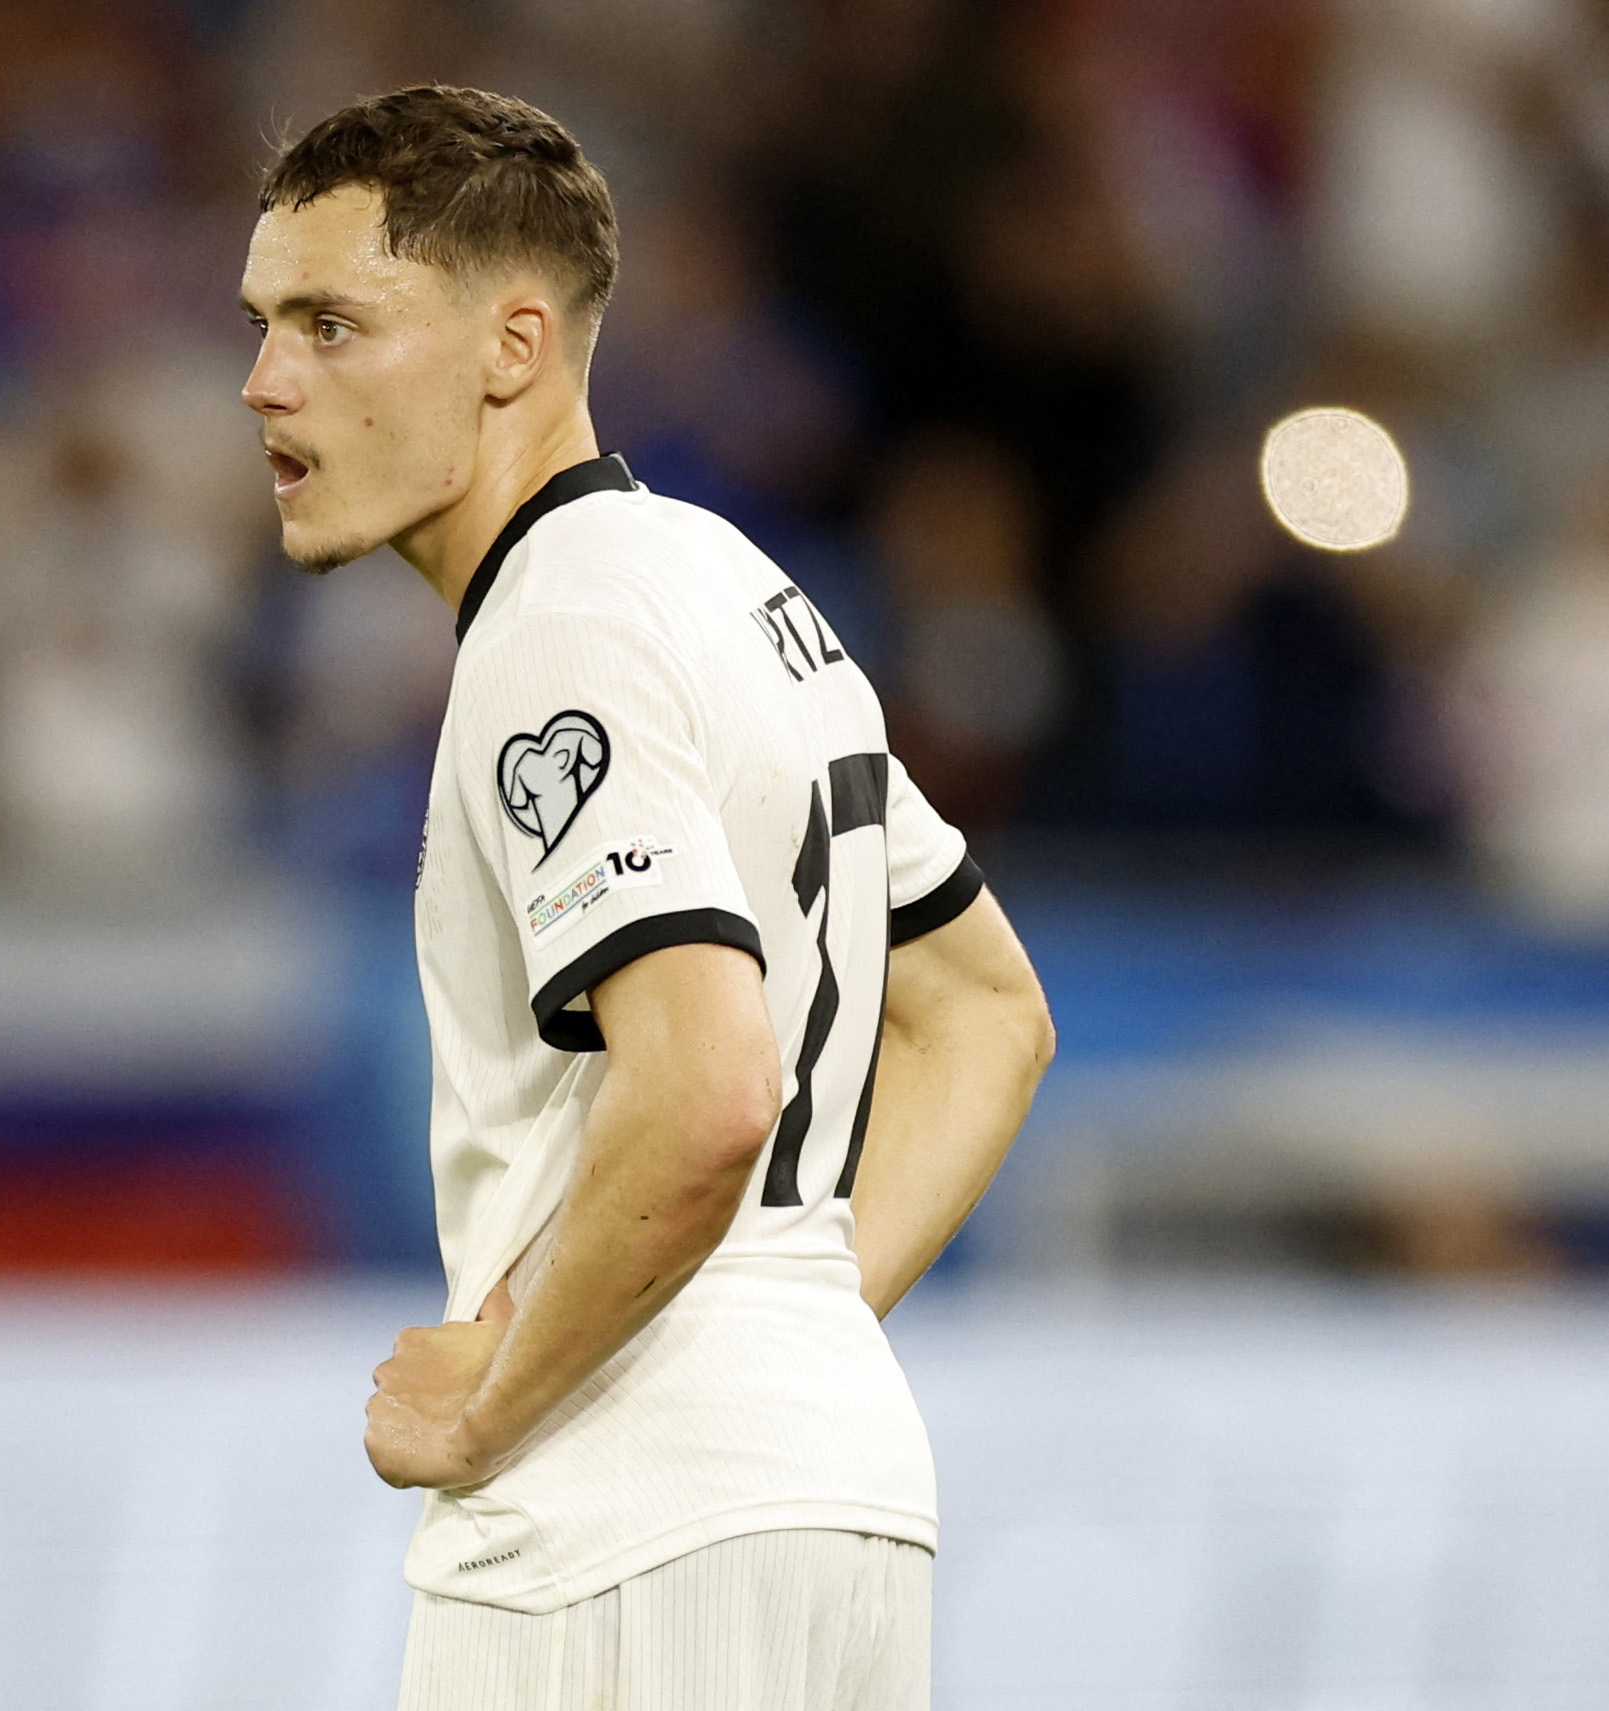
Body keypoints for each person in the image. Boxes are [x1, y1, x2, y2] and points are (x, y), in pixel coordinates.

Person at [238, 87, 1055, 1710]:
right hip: (826, 1491)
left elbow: (706, 1087)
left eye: (333, 324)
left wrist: (497, 1399)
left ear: (511, 345)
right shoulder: (734, 588)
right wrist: (786, 1322)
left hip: (619, 1527)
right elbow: (982, 1017)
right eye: (263, 323)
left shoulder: (562, 624)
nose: (266, 382)